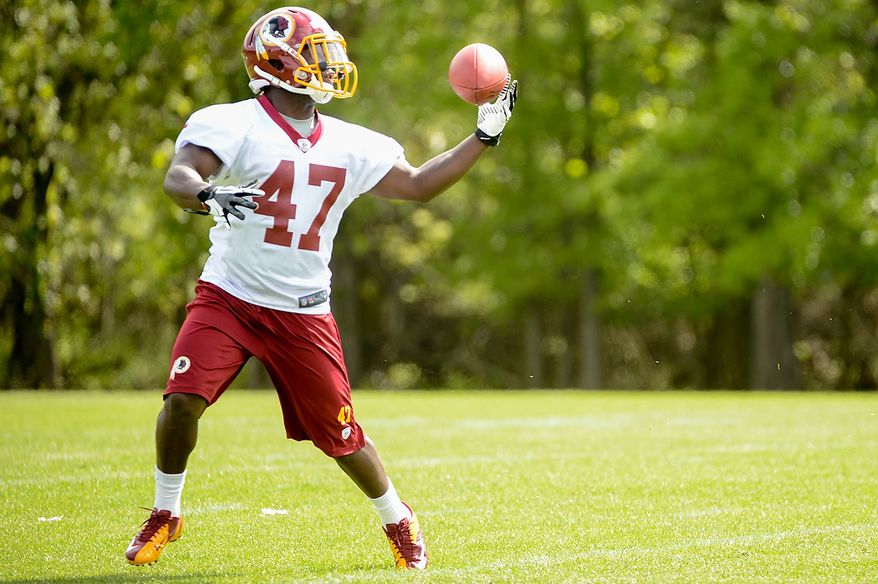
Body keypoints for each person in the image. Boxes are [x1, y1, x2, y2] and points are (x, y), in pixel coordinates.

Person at [124, 6, 517, 571]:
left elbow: (419, 185)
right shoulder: (232, 123)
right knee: (181, 400)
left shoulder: (351, 142)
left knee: (343, 436)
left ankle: (397, 517)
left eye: (329, 53)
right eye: (316, 54)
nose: (330, 65)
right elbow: (178, 176)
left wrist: (483, 136)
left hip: (302, 310)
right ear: (277, 63)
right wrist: (207, 193)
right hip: (228, 297)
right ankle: (166, 512)